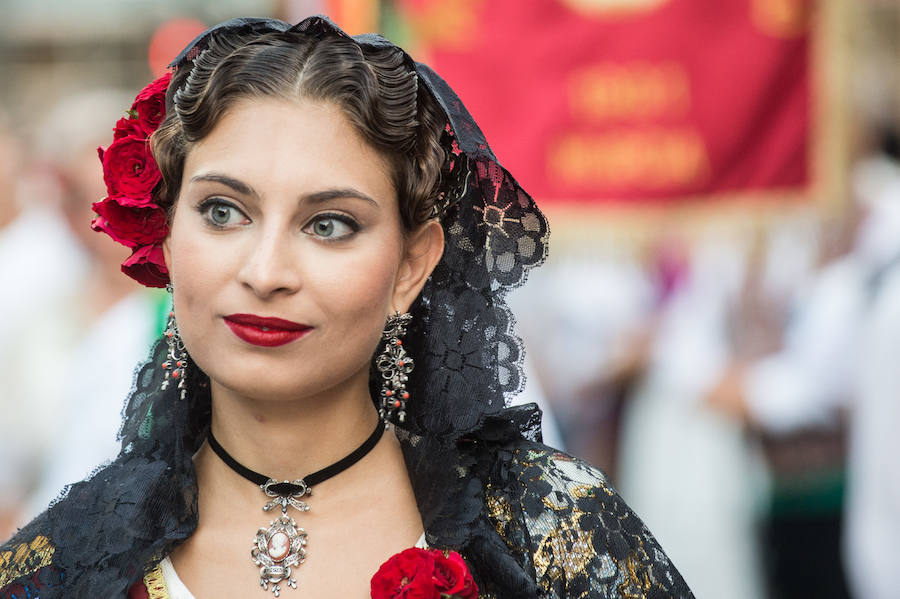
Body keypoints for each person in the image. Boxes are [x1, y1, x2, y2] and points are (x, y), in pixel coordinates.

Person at [0, 16, 693, 598]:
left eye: (328, 224)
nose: (266, 271)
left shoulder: (549, 534)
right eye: (222, 211)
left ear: (412, 264)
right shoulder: (63, 563)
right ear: (168, 237)